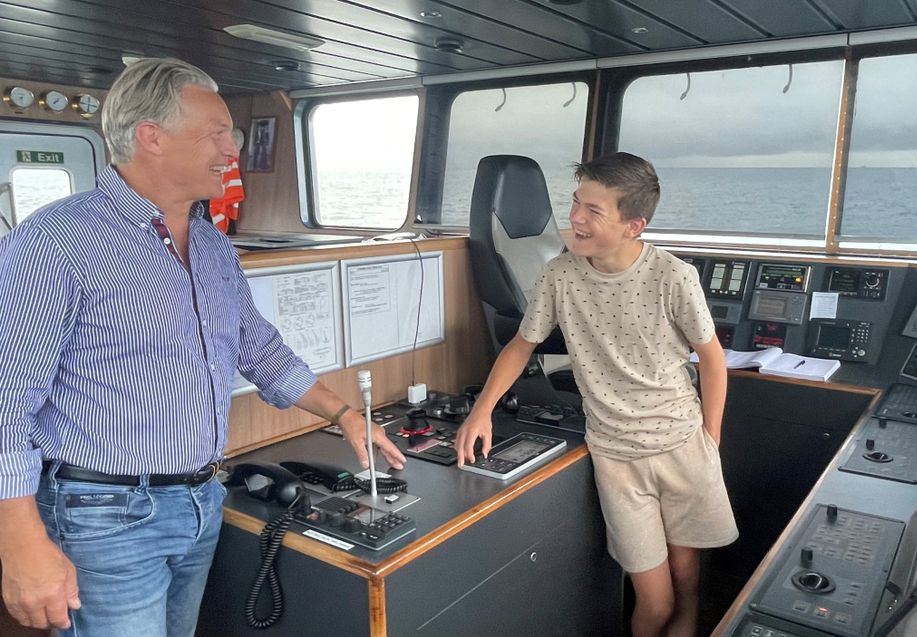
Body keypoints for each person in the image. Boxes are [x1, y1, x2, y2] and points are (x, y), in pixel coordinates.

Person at [0, 57, 405, 637]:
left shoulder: (212, 246)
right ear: (152, 136)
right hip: (102, 514)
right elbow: (5, 402)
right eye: (217, 132)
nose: (231, 149)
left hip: (199, 499)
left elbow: (257, 346)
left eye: (231, 134)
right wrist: (19, 545)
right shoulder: (56, 241)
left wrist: (343, 415)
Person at [455, 152, 737, 637]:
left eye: (593, 211)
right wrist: (480, 412)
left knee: (688, 579)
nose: (575, 218)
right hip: (617, 457)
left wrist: (710, 438)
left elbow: (711, 359)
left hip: (683, 445)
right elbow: (521, 347)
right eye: (575, 203)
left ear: (634, 225)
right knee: (655, 600)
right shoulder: (559, 276)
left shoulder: (674, 277)